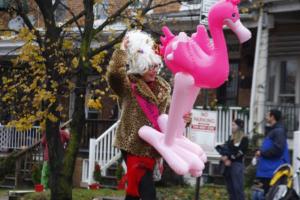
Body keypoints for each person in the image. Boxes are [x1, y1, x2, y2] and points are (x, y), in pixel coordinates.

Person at [106, 30, 172, 200]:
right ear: (140, 65)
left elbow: (169, 118)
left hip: (153, 148)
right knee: (148, 192)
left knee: (135, 192)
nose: (154, 70)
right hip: (132, 144)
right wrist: (121, 51)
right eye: (149, 66)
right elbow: (113, 74)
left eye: (156, 66)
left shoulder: (164, 89)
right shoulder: (128, 84)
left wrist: (185, 120)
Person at [254, 109, 290, 197]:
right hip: (268, 170)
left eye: (267, 114)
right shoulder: (275, 130)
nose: (266, 116)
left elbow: (278, 150)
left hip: (273, 172)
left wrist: (261, 153)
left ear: (272, 117)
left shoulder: (278, 131)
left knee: (269, 196)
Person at [216, 119, 249, 200]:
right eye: (232, 125)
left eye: (234, 125)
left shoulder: (244, 138)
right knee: (230, 189)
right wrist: (223, 156)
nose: (232, 127)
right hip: (227, 166)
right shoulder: (231, 138)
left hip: (237, 165)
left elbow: (240, 152)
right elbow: (226, 148)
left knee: (238, 188)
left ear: (239, 127)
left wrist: (229, 158)